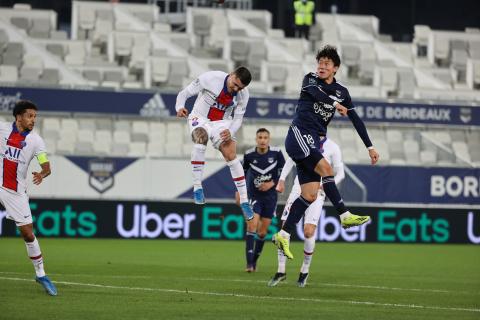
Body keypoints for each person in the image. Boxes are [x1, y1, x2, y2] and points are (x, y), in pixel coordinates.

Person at [272, 45, 380, 260]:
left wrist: (370, 146)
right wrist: (334, 104)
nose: (321, 66)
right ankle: (345, 215)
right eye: (320, 62)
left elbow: (356, 120)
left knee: (310, 194)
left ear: (335, 68)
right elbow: (315, 93)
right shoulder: (310, 79)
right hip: (299, 135)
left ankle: (283, 234)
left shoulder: (343, 92)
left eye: (326, 64)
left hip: (313, 143)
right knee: (327, 169)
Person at [176, 66, 255, 221]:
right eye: (235, 84)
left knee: (231, 154)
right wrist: (179, 107)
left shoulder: (243, 95)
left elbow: (238, 118)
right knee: (201, 137)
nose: (236, 89)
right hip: (200, 118)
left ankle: (245, 201)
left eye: (241, 87)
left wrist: (231, 131)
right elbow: (184, 94)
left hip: (221, 123)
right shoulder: (210, 78)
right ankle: (198, 187)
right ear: (231, 75)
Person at [269, 138, 344, 287]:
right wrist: (282, 179)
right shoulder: (303, 140)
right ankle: (281, 271)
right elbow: (291, 160)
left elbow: (340, 173)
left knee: (308, 231)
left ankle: (304, 270)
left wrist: (325, 186)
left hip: (318, 191)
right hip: (299, 187)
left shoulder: (333, 147)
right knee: (285, 226)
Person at [1, 100, 57, 296]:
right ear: (18, 116)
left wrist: (42, 174)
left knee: (28, 234)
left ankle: (41, 274)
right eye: (29, 116)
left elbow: (46, 166)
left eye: (35, 117)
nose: (33, 120)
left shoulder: (36, 141)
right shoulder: (2, 129)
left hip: (15, 192)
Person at [238, 128, 285, 272]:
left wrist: (273, 183)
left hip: (270, 198)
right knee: (252, 226)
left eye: (265, 137)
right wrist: (238, 191)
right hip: (254, 196)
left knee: (263, 232)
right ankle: (249, 264)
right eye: (260, 137)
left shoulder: (277, 154)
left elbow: (284, 172)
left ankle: (254, 261)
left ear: (269, 139)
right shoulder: (249, 155)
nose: (262, 140)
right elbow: (241, 173)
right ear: (256, 139)